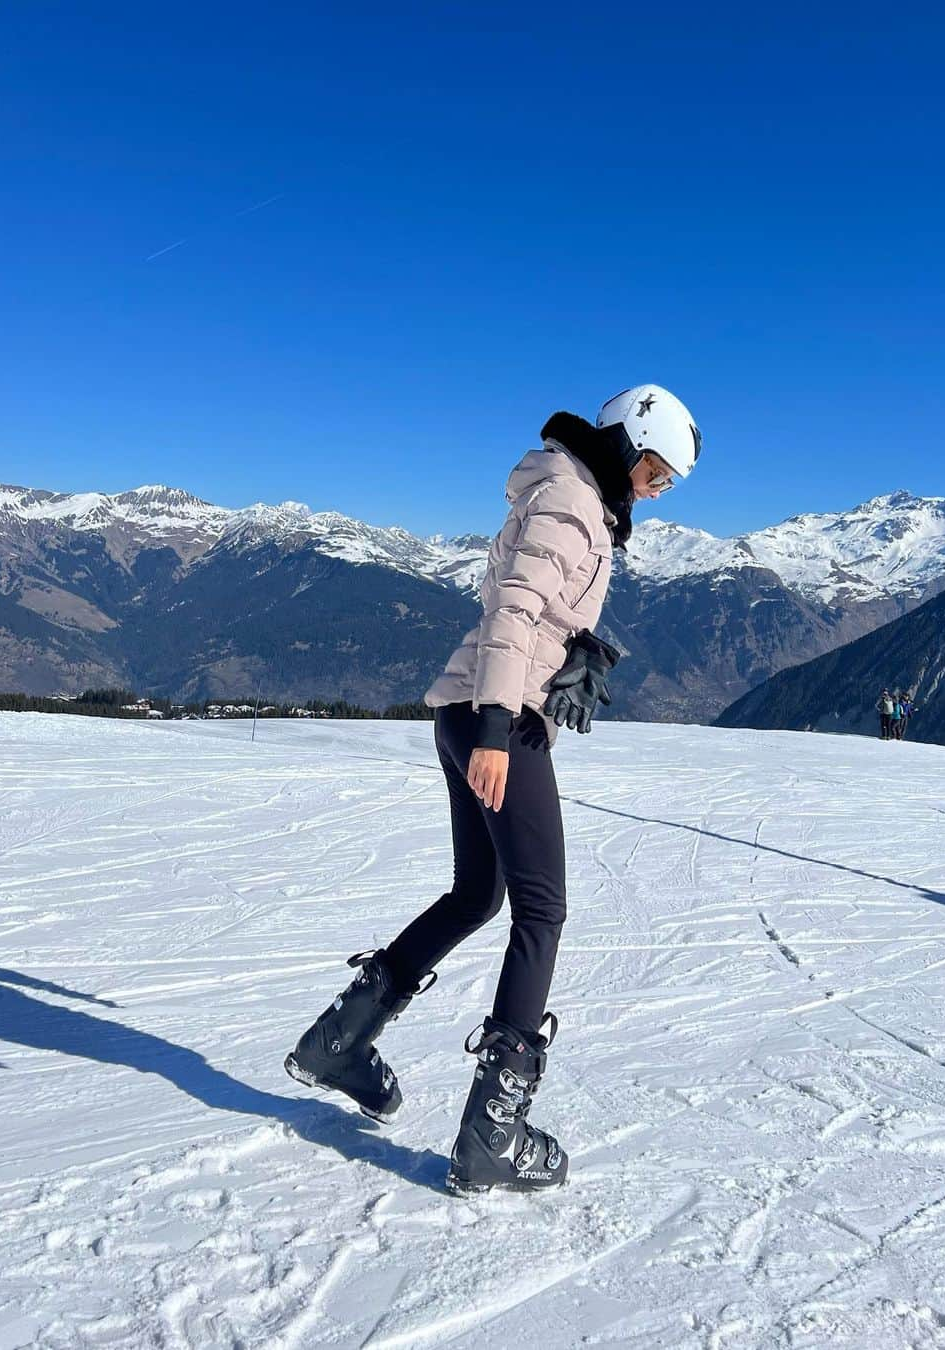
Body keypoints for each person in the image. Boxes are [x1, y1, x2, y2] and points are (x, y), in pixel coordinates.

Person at [284, 384, 702, 1195]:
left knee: (478, 893)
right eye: (657, 470)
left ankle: (339, 1041)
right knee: (540, 911)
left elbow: (534, 611)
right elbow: (513, 606)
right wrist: (501, 724)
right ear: (627, 444)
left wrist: (569, 656)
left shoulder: (570, 493)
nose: (658, 490)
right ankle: (492, 1135)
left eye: (669, 482)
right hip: (494, 723)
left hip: (476, 709)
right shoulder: (576, 501)